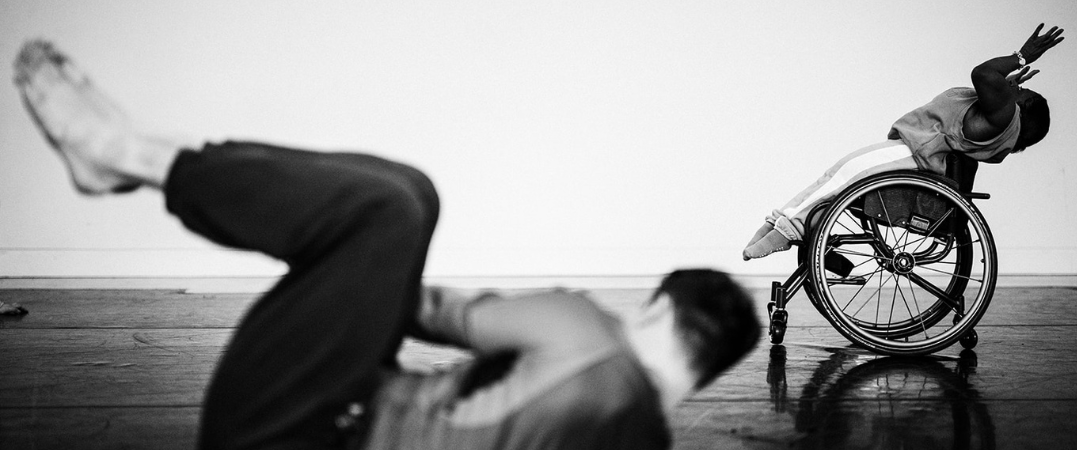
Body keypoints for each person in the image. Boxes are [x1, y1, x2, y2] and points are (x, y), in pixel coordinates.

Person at [13, 40, 762, 450]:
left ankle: (130, 155)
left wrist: (350, 276)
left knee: (391, 209)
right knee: (406, 196)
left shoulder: (589, 332)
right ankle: (147, 157)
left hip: (287, 425)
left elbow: (429, 310)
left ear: (661, 309)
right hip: (312, 426)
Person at [743, 24, 1065, 260]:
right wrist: (1009, 88)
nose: (1014, 89)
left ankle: (789, 231)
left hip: (912, 156)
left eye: (1019, 93)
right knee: (836, 175)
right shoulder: (1001, 127)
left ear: (1021, 110)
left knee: (842, 177)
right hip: (912, 152)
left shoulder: (1004, 118)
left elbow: (982, 74)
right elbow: (989, 90)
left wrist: (1022, 57)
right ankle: (780, 221)